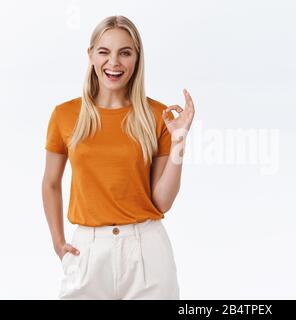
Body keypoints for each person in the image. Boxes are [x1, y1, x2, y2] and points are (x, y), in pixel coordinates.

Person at [41, 15, 195, 299]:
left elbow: (162, 201)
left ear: (137, 58)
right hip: (87, 250)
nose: (114, 62)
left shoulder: (157, 116)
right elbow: (51, 183)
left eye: (125, 52)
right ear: (90, 55)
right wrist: (58, 242)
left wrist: (179, 141)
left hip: (147, 253)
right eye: (104, 52)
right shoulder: (64, 115)